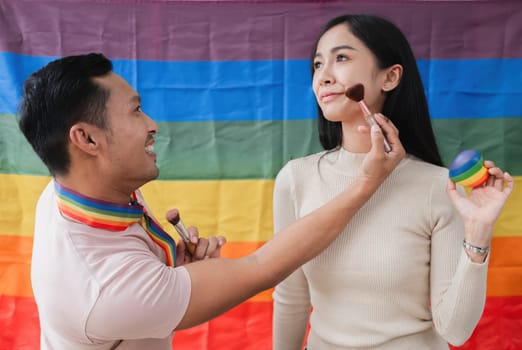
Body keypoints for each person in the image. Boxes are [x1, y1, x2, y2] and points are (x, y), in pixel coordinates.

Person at [18, 52, 404, 349]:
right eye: (136, 111)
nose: (152, 124)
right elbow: (261, 267)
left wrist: (166, 264)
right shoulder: (106, 291)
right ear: (86, 140)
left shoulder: (68, 188)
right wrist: (366, 182)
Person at [272, 14, 514, 350]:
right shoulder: (295, 180)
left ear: (390, 77)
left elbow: (455, 331)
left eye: (341, 58)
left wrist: (478, 232)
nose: (322, 76)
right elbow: (291, 298)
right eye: (317, 64)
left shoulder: (437, 186)